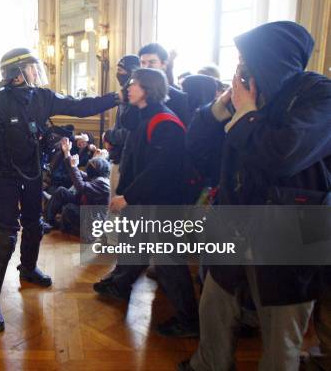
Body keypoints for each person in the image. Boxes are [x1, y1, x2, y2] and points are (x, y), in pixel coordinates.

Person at [181, 21, 331, 370]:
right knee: (215, 308)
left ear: (272, 58)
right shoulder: (247, 94)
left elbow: (285, 154)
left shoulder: (319, 94)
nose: (239, 65)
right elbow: (197, 148)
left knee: (281, 333)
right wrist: (219, 110)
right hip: (234, 224)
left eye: (246, 57)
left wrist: (247, 114)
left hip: (290, 237)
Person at [0, 47, 120, 332]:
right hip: (4, 177)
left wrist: (114, 98)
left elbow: (80, 106)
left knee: (34, 224)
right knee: (6, 235)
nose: (36, 72)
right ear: (17, 75)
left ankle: (27, 269)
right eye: (31, 67)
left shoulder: (43, 97)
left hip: (32, 174)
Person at [94, 68, 200, 338]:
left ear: (149, 89)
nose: (129, 88)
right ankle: (120, 285)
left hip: (161, 204)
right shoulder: (147, 116)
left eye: (135, 84)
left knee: (169, 264)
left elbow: (159, 170)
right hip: (145, 200)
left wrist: (127, 196)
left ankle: (189, 321)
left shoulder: (165, 122)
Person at [44, 137, 111, 238]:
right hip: (85, 208)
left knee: (69, 209)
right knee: (61, 191)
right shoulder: (97, 177)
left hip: (92, 220)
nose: (91, 163)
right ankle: (47, 222)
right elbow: (76, 172)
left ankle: (64, 225)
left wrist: (75, 166)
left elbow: (80, 186)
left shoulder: (103, 183)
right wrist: (67, 152)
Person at [138, 43, 189, 124]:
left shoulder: (179, 98)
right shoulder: (135, 94)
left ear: (164, 65)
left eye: (152, 62)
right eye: (143, 63)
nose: (146, 67)